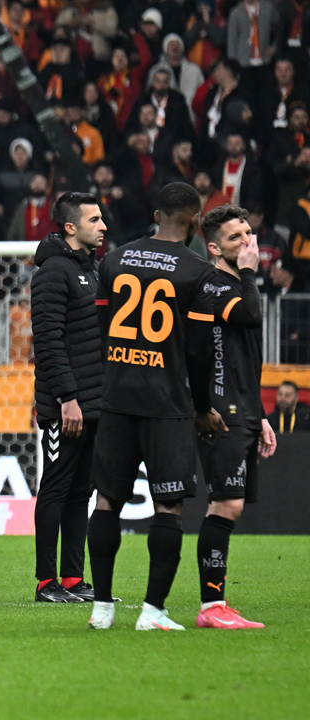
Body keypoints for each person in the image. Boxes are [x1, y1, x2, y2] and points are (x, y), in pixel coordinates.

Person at [87, 183, 228, 632]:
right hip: (167, 403)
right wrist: (204, 407)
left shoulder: (114, 259)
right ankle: (152, 611)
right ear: (195, 222)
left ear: (156, 213)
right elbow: (202, 352)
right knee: (168, 508)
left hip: (118, 398)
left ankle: (102, 607)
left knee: (106, 501)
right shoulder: (197, 270)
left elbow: (103, 326)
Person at [194, 204, 273, 629]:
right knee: (225, 504)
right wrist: (250, 272)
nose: (247, 243)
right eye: (235, 238)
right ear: (214, 248)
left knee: (231, 506)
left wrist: (260, 413)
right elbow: (252, 315)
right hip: (221, 413)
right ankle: (211, 607)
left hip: (243, 410)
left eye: (248, 234)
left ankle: (216, 604)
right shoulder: (213, 286)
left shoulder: (234, 284)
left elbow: (247, 359)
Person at [29, 193, 106, 603]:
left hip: (95, 402)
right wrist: (67, 398)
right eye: (95, 219)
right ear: (71, 227)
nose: (103, 225)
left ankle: (74, 579)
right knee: (56, 488)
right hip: (67, 405)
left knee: (82, 492)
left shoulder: (94, 270)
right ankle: (46, 582)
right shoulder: (52, 274)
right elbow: (49, 342)